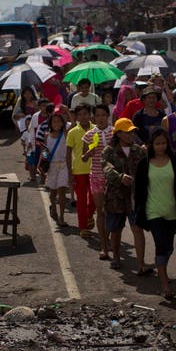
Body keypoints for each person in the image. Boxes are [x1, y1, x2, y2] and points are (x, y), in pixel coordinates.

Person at [134, 128, 176, 299]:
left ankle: (161, 267)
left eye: (163, 143)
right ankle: (165, 284)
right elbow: (139, 190)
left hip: (171, 210)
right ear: (151, 145)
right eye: (157, 143)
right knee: (161, 246)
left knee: (169, 247)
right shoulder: (144, 164)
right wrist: (138, 212)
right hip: (153, 211)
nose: (161, 146)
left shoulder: (175, 161)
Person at [102, 118, 149, 274]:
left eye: (132, 132)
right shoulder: (108, 151)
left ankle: (141, 263)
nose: (130, 135)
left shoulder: (139, 150)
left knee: (137, 228)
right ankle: (116, 256)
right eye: (127, 132)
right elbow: (106, 168)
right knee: (116, 229)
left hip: (135, 196)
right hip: (116, 196)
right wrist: (120, 177)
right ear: (118, 133)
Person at [82, 105, 114, 259]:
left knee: (112, 211)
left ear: (108, 116)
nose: (101, 118)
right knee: (100, 211)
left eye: (103, 115)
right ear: (93, 117)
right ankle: (104, 245)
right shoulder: (89, 135)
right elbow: (83, 157)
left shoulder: (115, 133)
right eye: (98, 115)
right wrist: (90, 151)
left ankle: (110, 240)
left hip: (113, 177)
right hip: (96, 176)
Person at [67, 104, 96, 238]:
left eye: (85, 113)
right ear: (76, 117)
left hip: (96, 169)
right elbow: (68, 154)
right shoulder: (72, 132)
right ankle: (83, 227)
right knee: (81, 201)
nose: (83, 116)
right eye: (80, 114)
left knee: (95, 198)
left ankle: (89, 215)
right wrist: (69, 173)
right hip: (78, 170)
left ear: (90, 114)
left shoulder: (96, 129)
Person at [44, 110, 70, 226]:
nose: (57, 124)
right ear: (50, 124)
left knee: (62, 192)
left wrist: (68, 111)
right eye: (54, 122)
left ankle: (62, 217)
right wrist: (43, 162)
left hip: (63, 165)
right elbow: (44, 151)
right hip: (52, 166)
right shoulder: (46, 135)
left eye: (59, 122)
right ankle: (53, 207)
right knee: (53, 192)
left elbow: (74, 124)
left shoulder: (65, 133)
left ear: (62, 123)